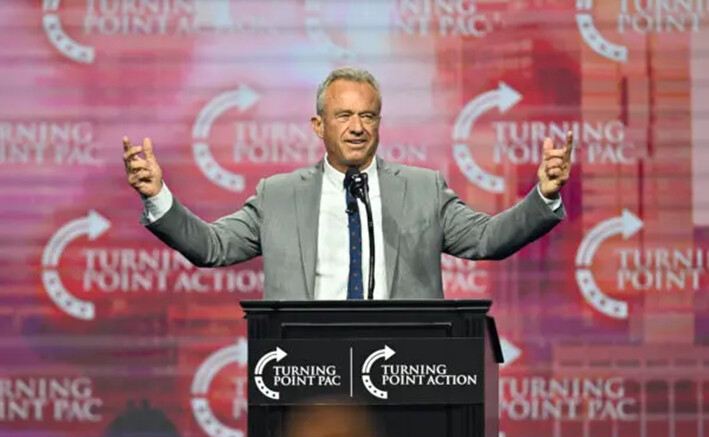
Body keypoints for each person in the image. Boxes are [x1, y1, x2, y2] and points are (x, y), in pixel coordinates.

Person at [122, 67, 572, 300]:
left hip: (407, 372)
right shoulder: (278, 196)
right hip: (305, 370)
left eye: (367, 116)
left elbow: (486, 239)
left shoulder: (423, 189)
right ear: (319, 125)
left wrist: (544, 195)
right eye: (344, 116)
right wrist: (157, 196)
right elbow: (212, 247)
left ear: (380, 123)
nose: (357, 127)